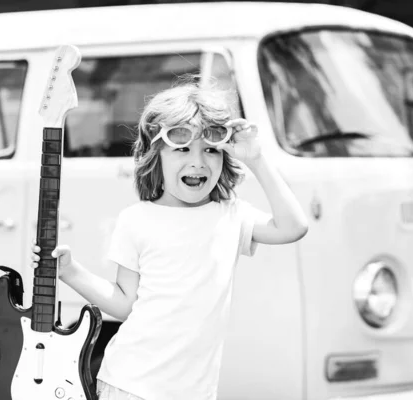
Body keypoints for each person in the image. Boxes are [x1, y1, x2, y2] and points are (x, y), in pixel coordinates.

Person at [32, 77, 309, 400]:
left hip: (194, 392)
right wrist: (70, 271)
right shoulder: (137, 220)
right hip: (129, 385)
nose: (198, 161)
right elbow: (124, 304)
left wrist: (257, 159)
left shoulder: (231, 216)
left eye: (211, 150)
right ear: (156, 155)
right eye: (182, 149)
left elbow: (293, 227)